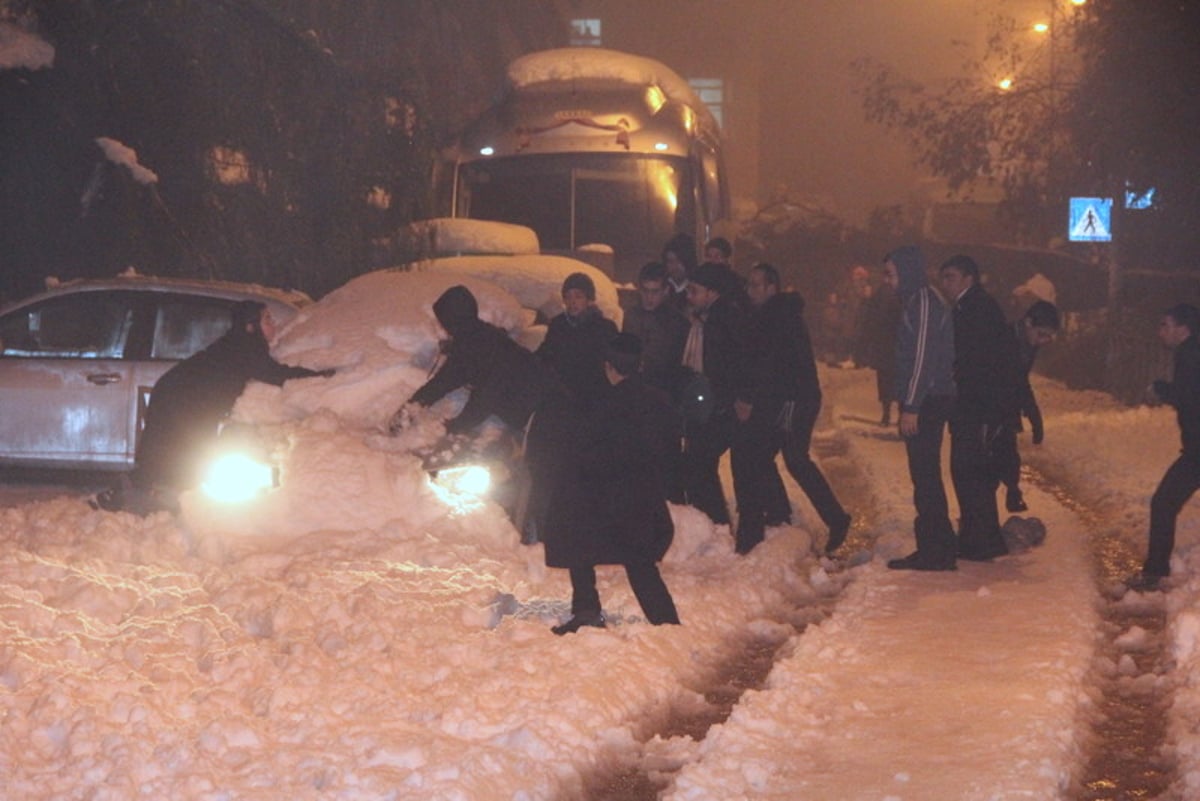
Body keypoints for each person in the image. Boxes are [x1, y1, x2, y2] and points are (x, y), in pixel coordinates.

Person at [95, 301, 330, 514]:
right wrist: (323, 376)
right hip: (182, 399)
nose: (274, 323)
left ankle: (142, 498)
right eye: (267, 319)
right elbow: (277, 375)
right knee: (177, 450)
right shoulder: (245, 347)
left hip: (181, 395)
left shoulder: (242, 343)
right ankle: (134, 499)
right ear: (251, 325)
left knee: (172, 450)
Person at [392, 285, 575, 544]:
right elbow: (444, 382)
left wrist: (455, 426)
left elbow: (487, 395)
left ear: (453, 320)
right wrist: (409, 409)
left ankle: (545, 544)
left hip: (548, 413)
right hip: (544, 411)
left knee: (541, 480)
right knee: (541, 479)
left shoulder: (479, 344)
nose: (443, 328)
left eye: (444, 321)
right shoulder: (475, 339)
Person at [547, 333, 680, 634]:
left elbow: (588, 456)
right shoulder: (658, 401)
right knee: (640, 563)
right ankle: (666, 620)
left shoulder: (602, 406)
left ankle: (586, 609)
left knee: (575, 536)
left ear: (609, 367)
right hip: (645, 502)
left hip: (607, 503)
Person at [732, 263, 851, 555]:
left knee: (789, 457)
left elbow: (770, 364)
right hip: (789, 398)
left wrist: (751, 398)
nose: (750, 290)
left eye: (756, 285)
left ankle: (831, 518)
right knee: (771, 456)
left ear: (772, 287)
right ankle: (787, 513)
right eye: (749, 285)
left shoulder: (778, 316)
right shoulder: (772, 314)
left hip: (793, 401)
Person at [883, 246, 959, 571]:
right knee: (923, 474)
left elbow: (922, 360)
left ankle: (936, 550)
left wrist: (911, 406)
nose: (887, 281)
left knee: (925, 474)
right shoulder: (915, 302)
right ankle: (934, 545)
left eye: (891, 273)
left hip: (928, 400)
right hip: (924, 398)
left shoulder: (925, 303)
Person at [939, 254, 1017, 562]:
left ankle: (980, 539)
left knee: (970, 470)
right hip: (974, 403)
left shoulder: (976, 309)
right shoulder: (969, 307)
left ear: (968, 279)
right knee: (969, 469)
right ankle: (979, 536)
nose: (945, 283)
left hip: (978, 404)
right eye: (944, 277)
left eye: (951, 277)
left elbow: (978, 359)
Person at [1132, 303, 1200, 589]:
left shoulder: (1190, 354)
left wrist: (1162, 389)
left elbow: (1189, 396)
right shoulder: (1191, 352)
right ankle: (1155, 570)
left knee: (1163, 502)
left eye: (1165, 325)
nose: (1161, 332)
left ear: (1183, 328)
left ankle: (1154, 573)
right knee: (1165, 502)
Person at [680, 261, 746, 527]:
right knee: (698, 463)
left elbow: (731, 365)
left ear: (712, 293)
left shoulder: (723, 321)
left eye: (694, 291)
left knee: (699, 463)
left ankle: (714, 523)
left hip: (721, 406)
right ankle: (710, 522)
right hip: (711, 404)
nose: (689, 296)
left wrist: (727, 400)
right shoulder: (704, 320)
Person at [994, 300, 1060, 512]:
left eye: (1049, 336)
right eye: (1042, 334)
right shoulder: (1003, 339)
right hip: (988, 409)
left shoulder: (1027, 342)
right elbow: (1004, 379)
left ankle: (1012, 491)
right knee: (989, 463)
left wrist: (1032, 412)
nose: (1044, 341)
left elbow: (1020, 379)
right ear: (1028, 323)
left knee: (1008, 455)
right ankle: (978, 523)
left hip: (1005, 409)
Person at [536, 272, 618, 411]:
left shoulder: (605, 327)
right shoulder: (558, 325)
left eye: (578, 296)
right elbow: (546, 353)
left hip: (595, 396)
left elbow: (612, 364)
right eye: (568, 297)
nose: (572, 302)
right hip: (563, 394)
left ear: (589, 299)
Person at [622, 261, 689, 394]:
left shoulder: (676, 321)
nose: (649, 297)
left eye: (655, 292)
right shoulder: (631, 315)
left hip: (664, 388)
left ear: (665, 290)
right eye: (645, 291)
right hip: (635, 387)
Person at [856, 265, 903, 426]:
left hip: (884, 345)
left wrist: (868, 342)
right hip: (898, 345)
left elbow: (870, 320)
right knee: (900, 380)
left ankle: (886, 414)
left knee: (885, 381)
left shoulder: (879, 294)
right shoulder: (902, 294)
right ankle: (900, 414)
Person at [662, 232, 698, 312]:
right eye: (670, 261)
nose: (675, 266)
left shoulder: (696, 290)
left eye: (679, 261)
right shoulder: (660, 287)